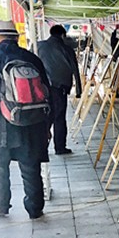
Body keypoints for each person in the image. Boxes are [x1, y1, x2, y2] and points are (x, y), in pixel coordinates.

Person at [0, 21, 50, 219]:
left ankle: (0, 206)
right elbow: (45, 91)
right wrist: (47, 125)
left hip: (0, 120)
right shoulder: (31, 58)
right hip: (31, 119)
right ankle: (35, 208)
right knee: (30, 163)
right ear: (17, 38)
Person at [38, 24, 81, 155]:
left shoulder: (39, 46)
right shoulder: (67, 49)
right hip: (60, 89)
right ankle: (60, 147)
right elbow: (75, 70)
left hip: (42, 88)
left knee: (45, 118)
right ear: (63, 35)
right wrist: (78, 91)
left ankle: (41, 147)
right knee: (59, 118)